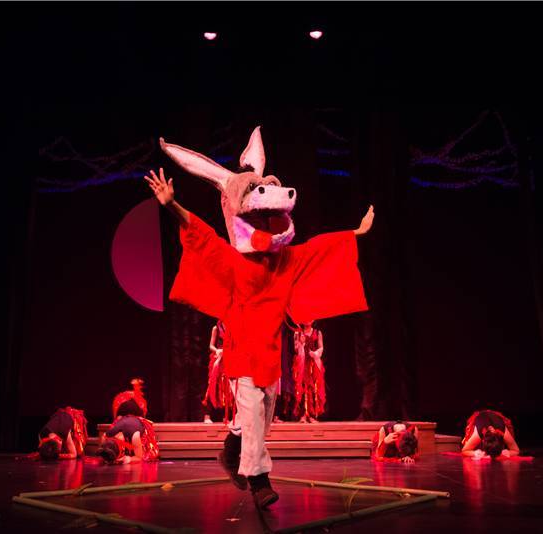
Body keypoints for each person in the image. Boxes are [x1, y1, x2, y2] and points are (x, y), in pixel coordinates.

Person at [145, 126, 373, 509]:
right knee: (253, 415)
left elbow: (318, 250)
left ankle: (231, 448)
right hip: (242, 351)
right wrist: (171, 205)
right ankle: (258, 479)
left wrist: (355, 234)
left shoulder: (285, 261)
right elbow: (201, 236)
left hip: (270, 353)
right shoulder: (232, 262)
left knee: (262, 415)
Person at [292, 321, 325, 423]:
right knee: (302, 387)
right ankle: (303, 415)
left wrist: (315, 353)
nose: (308, 320)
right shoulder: (298, 333)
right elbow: (295, 349)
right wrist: (301, 343)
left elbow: (321, 347)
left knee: (314, 387)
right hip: (302, 363)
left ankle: (312, 415)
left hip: (313, 363)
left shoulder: (317, 332)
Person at [202, 321, 234, 424]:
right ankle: (207, 415)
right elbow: (211, 345)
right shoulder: (216, 328)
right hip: (218, 359)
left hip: (229, 359)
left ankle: (226, 416)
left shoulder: (233, 327)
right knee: (213, 385)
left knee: (228, 387)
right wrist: (217, 350)